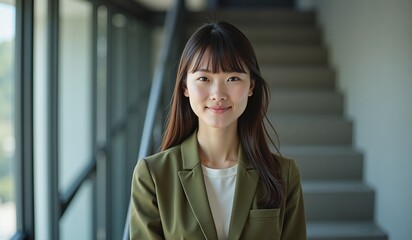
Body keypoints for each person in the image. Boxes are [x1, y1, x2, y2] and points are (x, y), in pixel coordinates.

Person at [130, 21, 306, 240]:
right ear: (185, 86)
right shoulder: (152, 175)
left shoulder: (283, 174)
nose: (218, 94)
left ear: (251, 86)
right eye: (204, 78)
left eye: (233, 78)